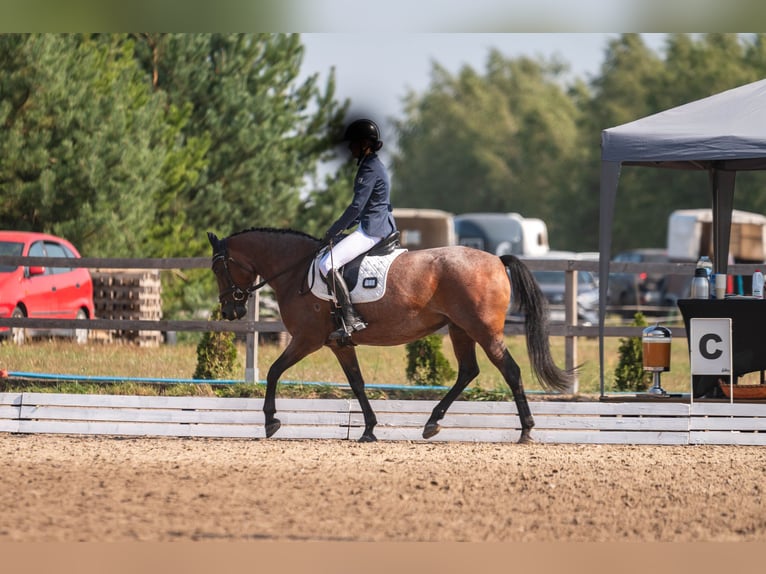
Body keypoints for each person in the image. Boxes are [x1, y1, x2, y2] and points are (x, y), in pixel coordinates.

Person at [318, 118, 397, 340]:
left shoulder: (370, 169)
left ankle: (351, 318)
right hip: (372, 224)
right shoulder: (371, 166)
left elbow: (356, 207)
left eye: (353, 144)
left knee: (327, 264)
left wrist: (333, 231)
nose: (349, 148)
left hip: (372, 229)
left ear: (365, 144)